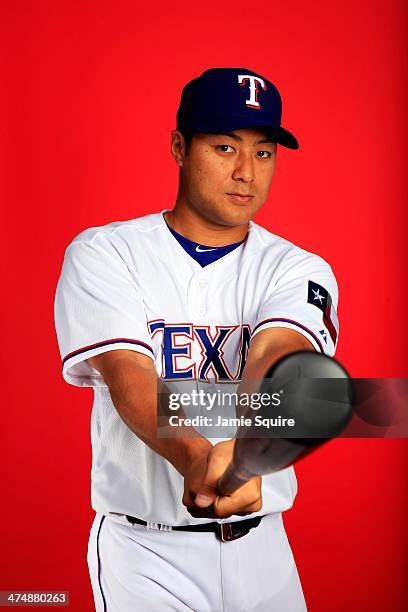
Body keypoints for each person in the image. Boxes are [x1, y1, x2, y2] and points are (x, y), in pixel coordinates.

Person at [54, 67, 339, 611]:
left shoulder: (296, 267)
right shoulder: (106, 253)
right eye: (225, 146)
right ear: (180, 147)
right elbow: (129, 376)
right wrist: (199, 461)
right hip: (146, 550)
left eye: (263, 152)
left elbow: (280, 354)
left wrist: (249, 450)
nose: (246, 172)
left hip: (265, 549)